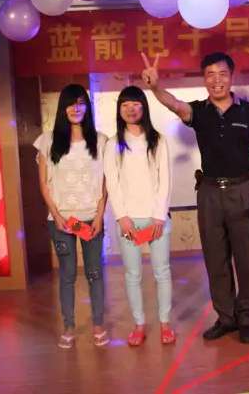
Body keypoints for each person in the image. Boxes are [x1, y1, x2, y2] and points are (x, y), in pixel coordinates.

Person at [141, 51, 249, 344]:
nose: (217, 80)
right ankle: (226, 318)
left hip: (243, 190)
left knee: (248, 259)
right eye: (210, 75)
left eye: (222, 74)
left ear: (231, 76)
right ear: (204, 79)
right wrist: (155, 87)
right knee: (216, 259)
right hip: (210, 193)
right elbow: (174, 104)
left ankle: (247, 318)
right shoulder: (199, 111)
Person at [34, 84, 109, 348]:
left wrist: (99, 216)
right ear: (62, 108)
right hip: (62, 221)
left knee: (94, 273)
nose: (76, 108)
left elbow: (105, 182)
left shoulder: (101, 141)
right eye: (70, 103)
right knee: (67, 275)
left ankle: (98, 324)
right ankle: (68, 326)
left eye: (80, 102)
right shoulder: (47, 141)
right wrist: (57, 216)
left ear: (87, 107)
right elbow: (44, 184)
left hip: (91, 220)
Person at [104, 86, 174, 346]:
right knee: (132, 274)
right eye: (125, 105)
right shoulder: (113, 143)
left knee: (162, 272)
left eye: (135, 104)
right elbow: (112, 182)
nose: (131, 109)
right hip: (129, 221)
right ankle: (139, 324)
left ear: (144, 107)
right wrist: (122, 217)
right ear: (119, 110)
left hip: (157, 219)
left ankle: (165, 323)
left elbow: (165, 180)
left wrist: (159, 217)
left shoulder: (158, 140)